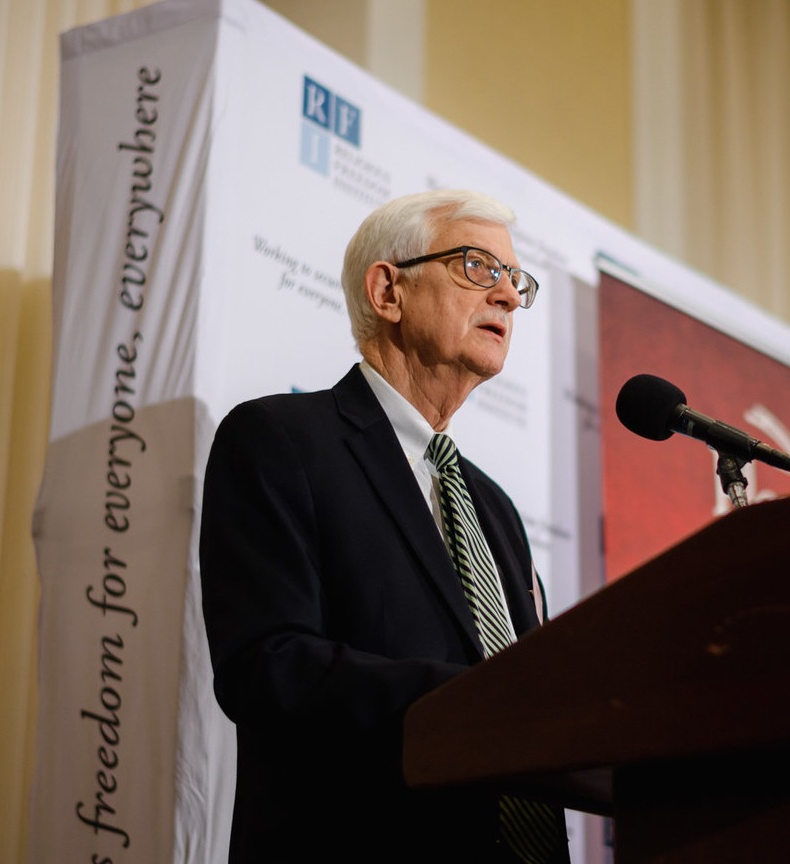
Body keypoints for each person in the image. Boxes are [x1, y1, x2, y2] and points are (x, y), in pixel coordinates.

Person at [199, 189, 569, 862]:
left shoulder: (496, 511)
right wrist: (479, 702)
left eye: (516, 281)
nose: (510, 298)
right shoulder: (282, 443)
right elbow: (266, 668)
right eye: (480, 268)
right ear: (388, 291)